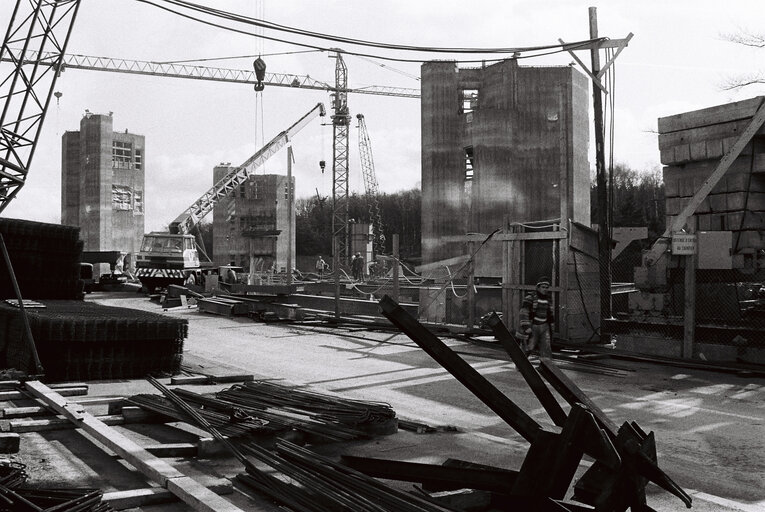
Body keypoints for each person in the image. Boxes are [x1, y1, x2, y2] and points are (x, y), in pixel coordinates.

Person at [518, 276, 554, 358]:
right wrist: (526, 326)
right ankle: (521, 366)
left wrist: (551, 325)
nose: (545, 289)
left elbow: (550, 313)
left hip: (544, 326)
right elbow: (524, 312)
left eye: (546, 287)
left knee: (546, 349)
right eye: (543, 287)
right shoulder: (530, 297)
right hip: (533, 326)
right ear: (538, 287)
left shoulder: (548, 299)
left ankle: (545, 367)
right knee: (528, 348)